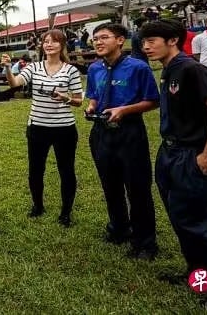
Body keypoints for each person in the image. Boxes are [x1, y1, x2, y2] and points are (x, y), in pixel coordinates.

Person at [140, 19, 207, 311]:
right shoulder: (169, 71)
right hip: (170, 152)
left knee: (195, 225)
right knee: (180, 220)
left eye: (152, 40)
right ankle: (199, 276)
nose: (146, 46)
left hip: (191, 155)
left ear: (173, 40)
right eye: (144, 41)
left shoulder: (191, 69)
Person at [85, 23, 159, 259]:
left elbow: (152, 100)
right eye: (95, 38)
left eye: (104, 37)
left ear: (120, 40)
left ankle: (145, 242)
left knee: (137, 188)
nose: (98, 42)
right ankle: (119, 228)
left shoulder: (138, 67)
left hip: (129, 132)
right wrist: (91, 107)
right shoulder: (95, 68)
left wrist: (124, 110)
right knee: (110, 184)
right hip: (101, 133)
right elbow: (94, 96)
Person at [1, 29, 84, 227]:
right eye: (46, 41)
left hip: (64, 128)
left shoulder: (70, 70)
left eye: (54, 42)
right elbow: (15, 83)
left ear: (62, 45)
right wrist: (6, 68)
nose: (49, 44)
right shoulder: (34, 67)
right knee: (35, 170)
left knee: (67, 171)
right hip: (37, 127)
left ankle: (66, 213)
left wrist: (66, 98)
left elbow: (79, 101)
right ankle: (37, 206)